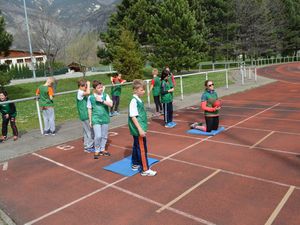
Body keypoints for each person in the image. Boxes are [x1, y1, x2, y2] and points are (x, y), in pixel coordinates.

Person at [128, 79, 157, 176]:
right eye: (141, 90)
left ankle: (135, 163)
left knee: (136, 145)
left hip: (140, 127)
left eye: (144, 90)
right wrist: (140, 129)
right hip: (138, 129)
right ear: (135, 90)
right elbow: (133, 116)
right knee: (142, 148)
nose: (143, 91)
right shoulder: (133, 101)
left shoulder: (138, 100)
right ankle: (145, 169)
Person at [87, 80, 113, 159]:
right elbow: (89, 109)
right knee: (98, 136)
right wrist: (90, 120)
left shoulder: (105, 95)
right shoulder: (90, 97)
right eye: (99, 88)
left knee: (104, 135)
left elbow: (111, 104)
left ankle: (102, 149)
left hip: (105, 118)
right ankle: (97, 149)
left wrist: (102, 100)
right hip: (96, 119)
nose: (101, 89)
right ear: (95, 89)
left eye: (101, 87)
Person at [76, 79, 94, 152]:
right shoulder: (80, 92)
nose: (86, 88)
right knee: (90, 131)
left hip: (83, 114)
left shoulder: (81, 91)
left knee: (86, 131)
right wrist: (89, 84)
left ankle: (87, 145)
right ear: (81, 86)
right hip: (85, 114)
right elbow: (88, 92)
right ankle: (89, 146)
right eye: (85, 87)